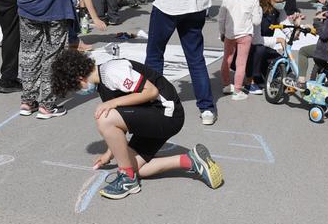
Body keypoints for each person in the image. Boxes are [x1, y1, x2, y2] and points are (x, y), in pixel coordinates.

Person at [50, 49, 225, 199]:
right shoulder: (103, 85)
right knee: (133, 165)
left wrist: (112, 103)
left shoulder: (112, 71)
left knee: (104, 117)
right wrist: (109, 154)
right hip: (154, 116)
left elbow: (151, 91)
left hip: (166, 114)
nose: (79, 91)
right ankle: (190, 160)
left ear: (80, 79)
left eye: (75, 88)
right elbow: (120, 128)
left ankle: (127, 179)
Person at [218, 0, 262, 100]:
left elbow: (221, 18)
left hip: (229, 34)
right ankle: (237, 91)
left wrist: (222, 32)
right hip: (245, 35)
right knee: (241, 62)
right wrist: (259, 9)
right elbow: (256, 21)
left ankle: (226, 84)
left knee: (227, 59)